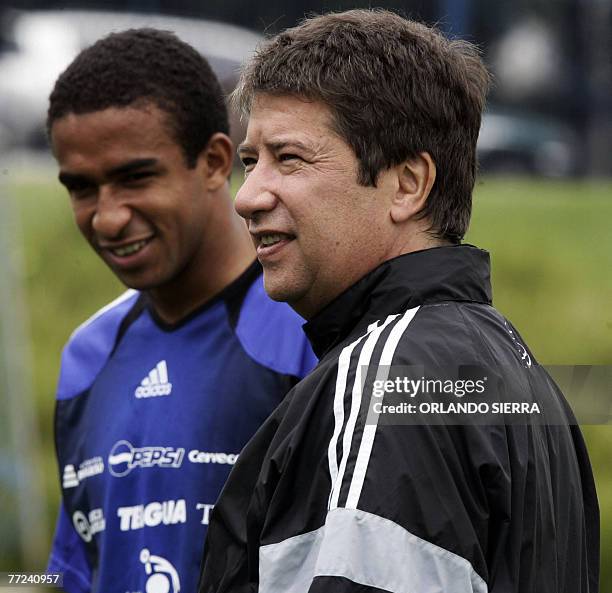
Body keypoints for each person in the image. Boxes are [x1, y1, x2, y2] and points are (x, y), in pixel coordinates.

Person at [199, 10, 599, 593]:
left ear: (409, 185)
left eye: (289, 158)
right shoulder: (526, 377)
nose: (249, 197)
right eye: (251, 162)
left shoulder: (387, 379)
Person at [45, 28, 316, 593]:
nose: (107, 218)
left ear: (215, 161)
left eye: (135, 177)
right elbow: (73, 569)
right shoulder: (86, 357)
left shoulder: (310, 333)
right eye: (82, 189)